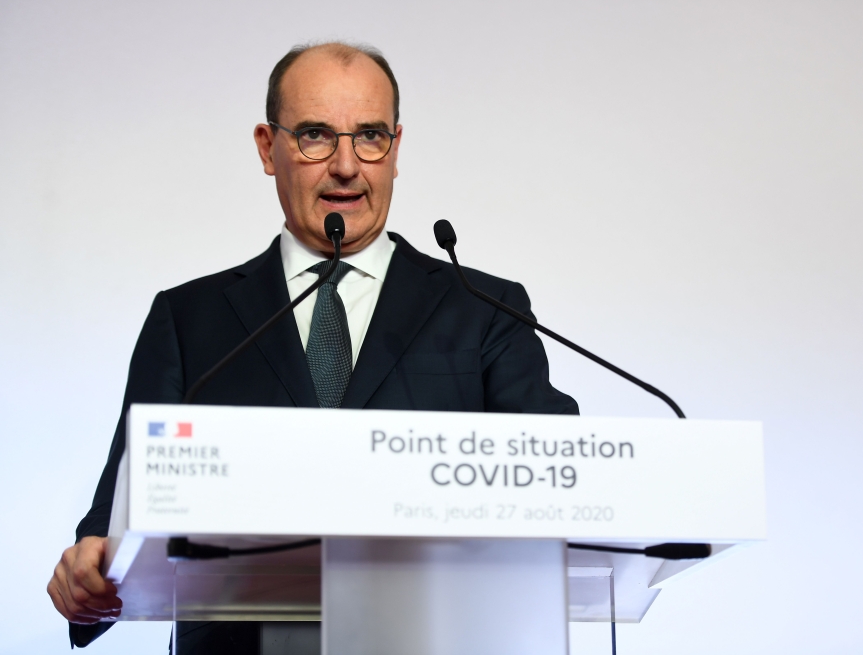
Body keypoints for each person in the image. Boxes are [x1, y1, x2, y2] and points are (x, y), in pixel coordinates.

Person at [46, 42, 577, 652]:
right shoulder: (189, 320)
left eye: (370, 136)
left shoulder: (485, 310)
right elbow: (113, 524)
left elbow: (562, 488)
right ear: (268, 149)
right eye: (316, 135)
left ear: (396, 150)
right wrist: (85, 573)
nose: (347, 166)